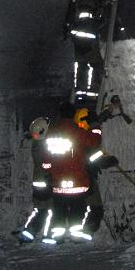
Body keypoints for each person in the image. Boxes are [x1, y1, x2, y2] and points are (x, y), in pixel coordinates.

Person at [41, 102, 102, 244]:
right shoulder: (76, 131)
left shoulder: (51, 134)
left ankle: (58, 236)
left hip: (57, 184)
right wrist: (95, 126)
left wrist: (50, 172)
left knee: (59, 211)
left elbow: (45, 161)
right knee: (77, 209)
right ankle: (76, 236)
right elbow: (95, 141)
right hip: (77, 182)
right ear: (74, 114)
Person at [63, 0, 118, 105]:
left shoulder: (90, 0)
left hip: (83, 40)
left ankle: (84, 94)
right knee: (96, 65)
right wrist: (99, 23)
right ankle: (94, 95)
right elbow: (86, 23)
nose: (105, 3)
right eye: (106, 0)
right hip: (84, 40)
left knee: (84, 66)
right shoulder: (88, 1)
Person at [72, 107, 119, 237]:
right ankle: (83, 232)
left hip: (80, 177)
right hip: (84, 178)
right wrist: (107, 161)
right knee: (94, 208)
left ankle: (80, 232)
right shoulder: (84, 137)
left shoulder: (76, 134)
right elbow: (92, 157)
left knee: (87, 207)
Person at [19, 117, 53, 243]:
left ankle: (29, 232)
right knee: (49, 210)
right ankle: (48, 236)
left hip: (39, 182)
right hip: (46, 182)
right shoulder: (42, 146)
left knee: (41, 210)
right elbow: (47, 164)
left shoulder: (37, 145)